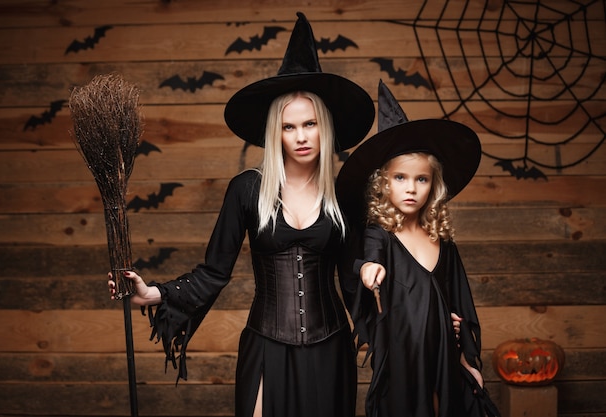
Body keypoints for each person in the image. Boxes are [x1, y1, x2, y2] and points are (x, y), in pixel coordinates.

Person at [108, 12, 375, 417]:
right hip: (267, 342)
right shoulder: (248, 189)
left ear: (326, 127)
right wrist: (153, 294)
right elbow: (214, 272)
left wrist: (418, 318)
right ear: (275, 132)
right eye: (289, 127)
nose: (301, 137)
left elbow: (355, 282)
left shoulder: (342, 196)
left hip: (331, 346)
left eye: (310, 124)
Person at [336, 80, 500, 417]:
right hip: (401, 364)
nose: (410, 188)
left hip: (443, 360)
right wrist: (368, 270)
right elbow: (367, 262)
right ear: (383, 183)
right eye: (400, 178)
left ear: (433, 185)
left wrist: (465, 358)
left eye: (421, 179)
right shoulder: (379, 235)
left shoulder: (443, 243)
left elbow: (458, 305)